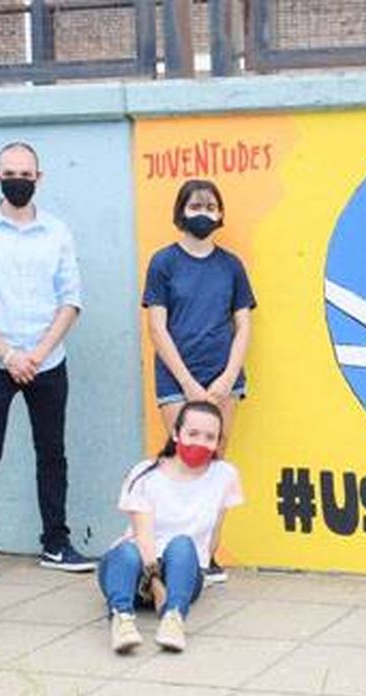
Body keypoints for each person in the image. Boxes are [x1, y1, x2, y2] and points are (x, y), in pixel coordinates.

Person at [0, 141, 87, 583]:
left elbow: (71, 300)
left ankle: (56, 541)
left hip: (47, 360)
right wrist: (8, 354)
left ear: (39, 178)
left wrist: (38, 353)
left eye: (26, 175)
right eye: (10, 173)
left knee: (52, 453)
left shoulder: (57, 232)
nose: (18, 181)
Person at [141, 179, 256, 583]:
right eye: (194, 205)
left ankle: (207, 555)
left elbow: (243, 326)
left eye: (210, 205)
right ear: (180, 212)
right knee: (180, 460)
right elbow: (157, 328)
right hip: (177, 379)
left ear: (220, 213)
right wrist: (188, 383)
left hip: (224, 380)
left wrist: (226, 378)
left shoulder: (231, 266)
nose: (203, 212)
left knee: (215, 463)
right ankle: (167, 554)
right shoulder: (163, 263)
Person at [99, 400, 242, 654]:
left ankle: (173, 618)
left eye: (210, 437)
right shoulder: (145, 474)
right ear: (176, 433)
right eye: (193, 434)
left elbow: (212, 538)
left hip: (182, 573)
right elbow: (143, 535)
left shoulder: (224, 476)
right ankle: (122, 620)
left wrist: (192, 575)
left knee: (184, 545)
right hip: (138, 568)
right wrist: (156, 586)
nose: (200, 442)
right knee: (125, 553)